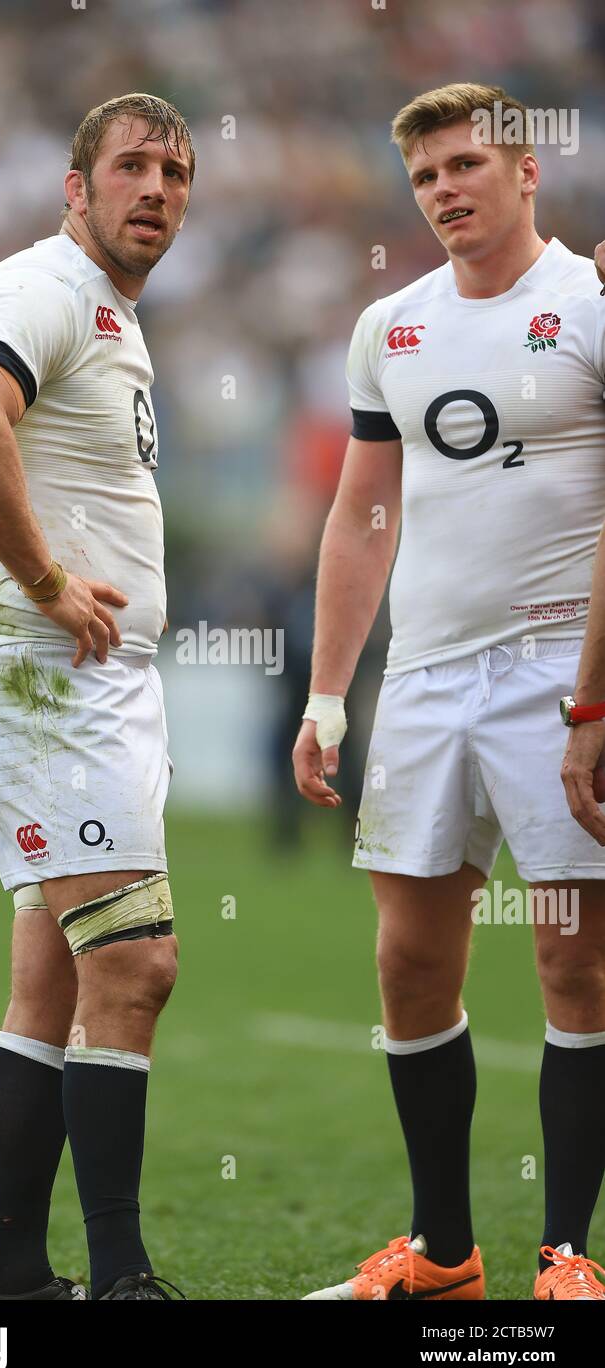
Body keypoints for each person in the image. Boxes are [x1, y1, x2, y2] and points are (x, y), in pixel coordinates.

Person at [293, 82, 605, 1301]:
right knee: (409, 965)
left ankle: (567, 1255)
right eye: (425, 177)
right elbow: (362, 510)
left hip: (554, 669)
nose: (444, 192)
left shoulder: (586, 305)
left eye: (466, 165)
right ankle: (440, 1254)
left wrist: (592, 701)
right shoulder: (391, 325)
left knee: (573, 967)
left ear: (525, 173)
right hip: (424, 672)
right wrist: (327, 696)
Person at [0, 93, 194, 1302]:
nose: (157, 189)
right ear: (72, 189)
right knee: (136, 967)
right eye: (131, 166)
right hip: (49, 678)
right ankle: (122, 1280)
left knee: (57, 979)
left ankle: (13, 1282)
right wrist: (43, 580)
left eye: (177, 173)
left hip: (96, 683)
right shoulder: (41, 284)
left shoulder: (115, 317)